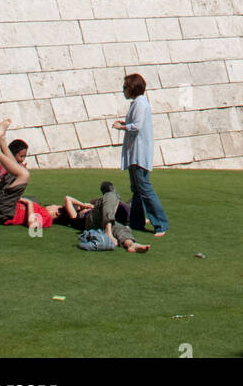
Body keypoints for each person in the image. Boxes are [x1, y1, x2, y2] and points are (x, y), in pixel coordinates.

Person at [112, 73, 168, 237]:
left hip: (139, 153)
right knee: (137, 189)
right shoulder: (137, 103)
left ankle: (161, 223)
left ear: (132, 88)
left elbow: (136, 126)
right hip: (135, 153)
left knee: (144, 189)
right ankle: (137, 221)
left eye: (125, 88)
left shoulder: (140, 104)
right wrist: (124, 124)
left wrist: (120, 127)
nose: (123, 91)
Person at [53, 183, 149, 252]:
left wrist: (91, 204)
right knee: (110, 195)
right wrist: (83, 205)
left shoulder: (90, 208)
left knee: (118, 228)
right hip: (91, 222)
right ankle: (109, 230)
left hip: (103, 219)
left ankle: (131, 245)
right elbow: (67, 198)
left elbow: (95, 201)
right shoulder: (74, 217)